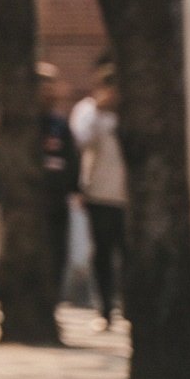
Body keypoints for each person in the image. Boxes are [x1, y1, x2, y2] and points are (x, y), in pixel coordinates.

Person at [69, 63, 128, 329]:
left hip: (127, 197)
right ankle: (104, 309)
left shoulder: (130, 113)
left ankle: (130, 308)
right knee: (102, 253)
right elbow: (79, 141)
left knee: (128, 255)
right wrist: (99, 112)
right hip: (98, 194)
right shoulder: (88, 111)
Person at [34, 63, 81, 302]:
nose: (49, 92)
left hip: (56, 199)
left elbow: (71, 158)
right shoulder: (23, 123)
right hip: (31, 200)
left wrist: (74, 188)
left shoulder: (59, 124)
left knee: (57, 251)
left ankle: (53, 299)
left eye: (51, 87)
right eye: (44, 87)